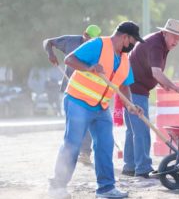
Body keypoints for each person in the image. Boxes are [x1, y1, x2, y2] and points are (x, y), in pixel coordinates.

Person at [48, 21, 144, 198]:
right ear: (125, 37)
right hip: (78, 100)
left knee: (105, 146)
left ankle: (106, 189)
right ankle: (57, 188)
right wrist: (89, 68)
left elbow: (123, 86)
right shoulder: (98, 44)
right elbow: (69, 59)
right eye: (133, 41)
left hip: (101, 107)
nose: (133, 45)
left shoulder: (124, 59)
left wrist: (130, 105)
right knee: (72, 144)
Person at [121, 18, 179, 178]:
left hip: (131, 87)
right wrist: (174, 87)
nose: (176, 41)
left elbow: (153, 71)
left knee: (133, 130)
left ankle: (130, 166)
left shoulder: (160, 43)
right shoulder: (157, 45)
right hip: (135, 89)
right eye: (174, 37)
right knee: (142, 129)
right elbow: (156, 72)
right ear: (165, 33)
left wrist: (167, 85)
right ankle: (143, 168)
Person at [43, 24, 102, 165]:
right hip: (70, 88)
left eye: (92, 39)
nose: (89, 41)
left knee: (86, 120)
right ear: (84, 34)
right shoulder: (70, 41)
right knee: (72, 122)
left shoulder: (98, 47)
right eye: (87, 37)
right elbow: (47, 42)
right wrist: (50, 54)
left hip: (87, 90)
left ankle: (85, 153)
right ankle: (69, 154)